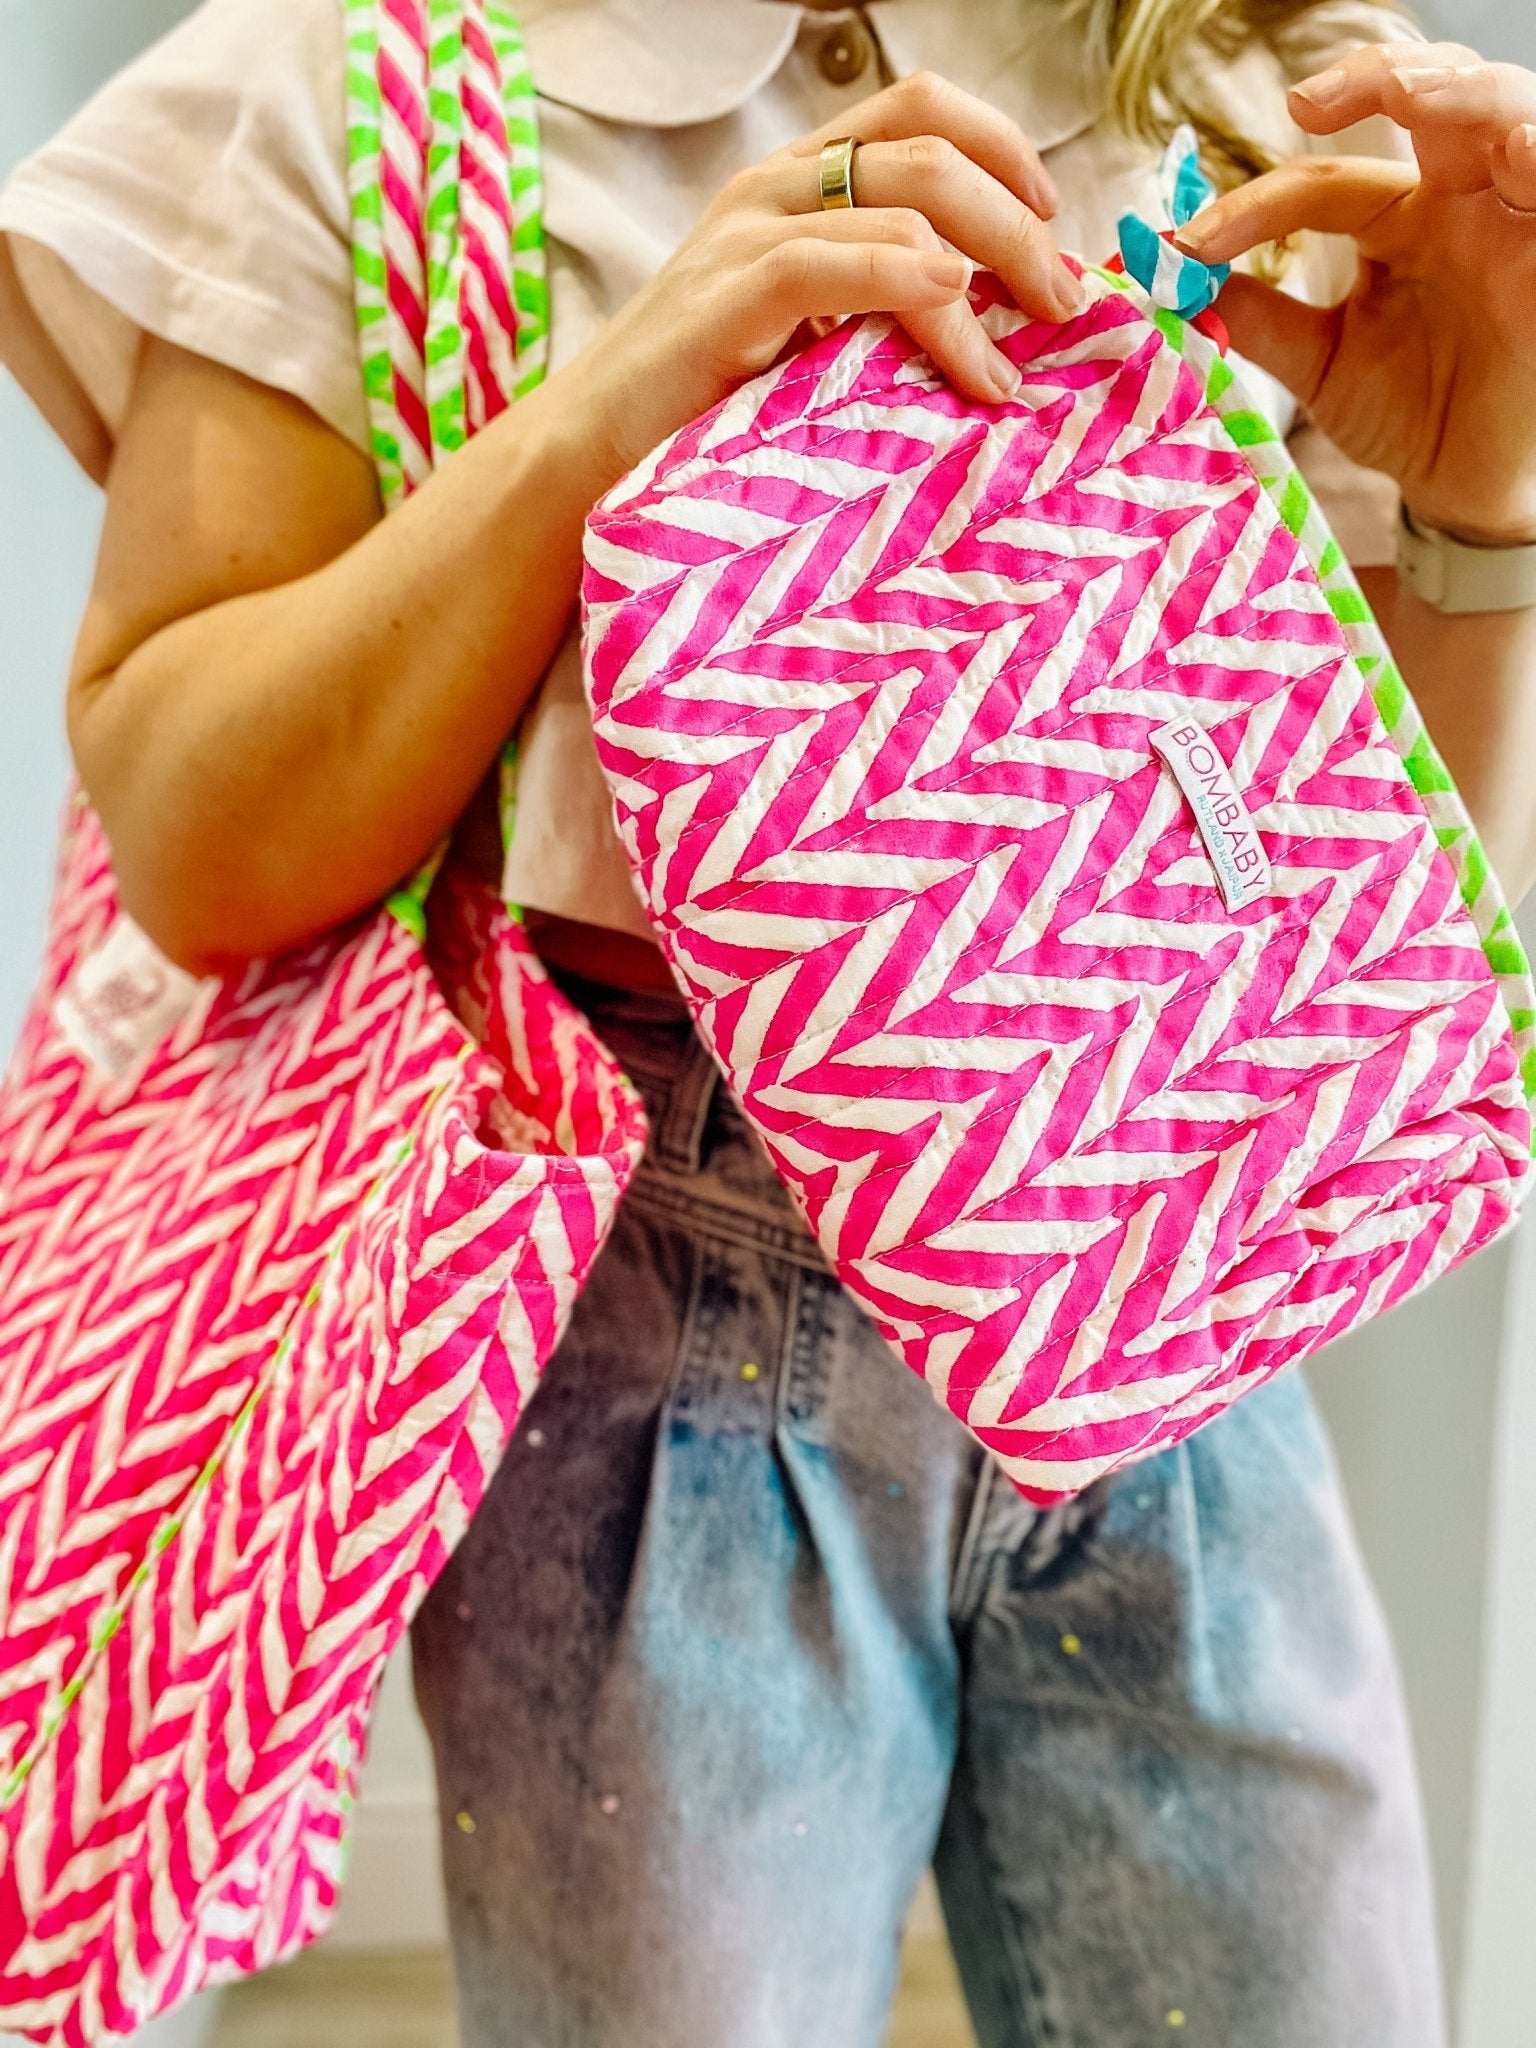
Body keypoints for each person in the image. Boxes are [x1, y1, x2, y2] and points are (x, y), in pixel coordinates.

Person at [2, 2, 1535, 2042]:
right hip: (651, 1334)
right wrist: (609, 408)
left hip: (1180, 1322)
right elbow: (197, 847)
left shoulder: (1273, 85)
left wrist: (1489, 491)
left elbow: (1366, 935)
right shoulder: (365, 92)